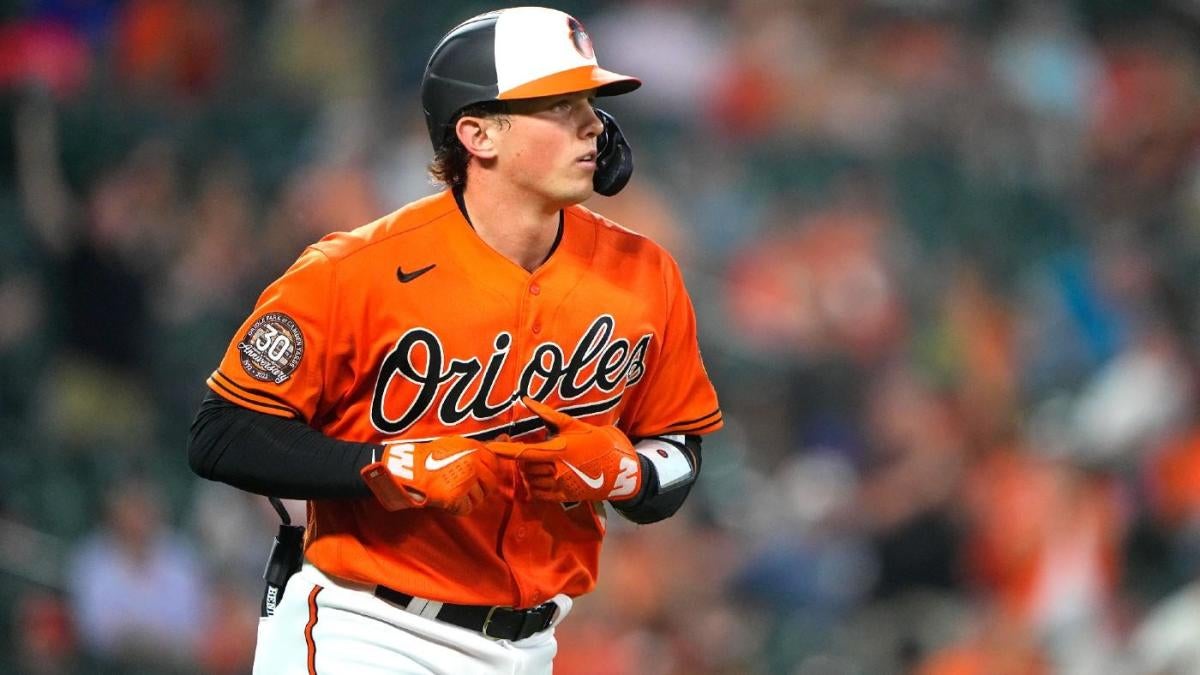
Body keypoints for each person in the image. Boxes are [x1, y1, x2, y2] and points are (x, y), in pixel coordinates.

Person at [187, 7, 722, 674]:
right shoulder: (353, 270)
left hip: (532, 644)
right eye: (557, 106)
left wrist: (629, 472)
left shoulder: (645, 274)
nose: (592, 124)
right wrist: (383, 466)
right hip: (369, 625)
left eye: (590, 102)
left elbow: (680, 447)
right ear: (477, 133)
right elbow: (222, 434)